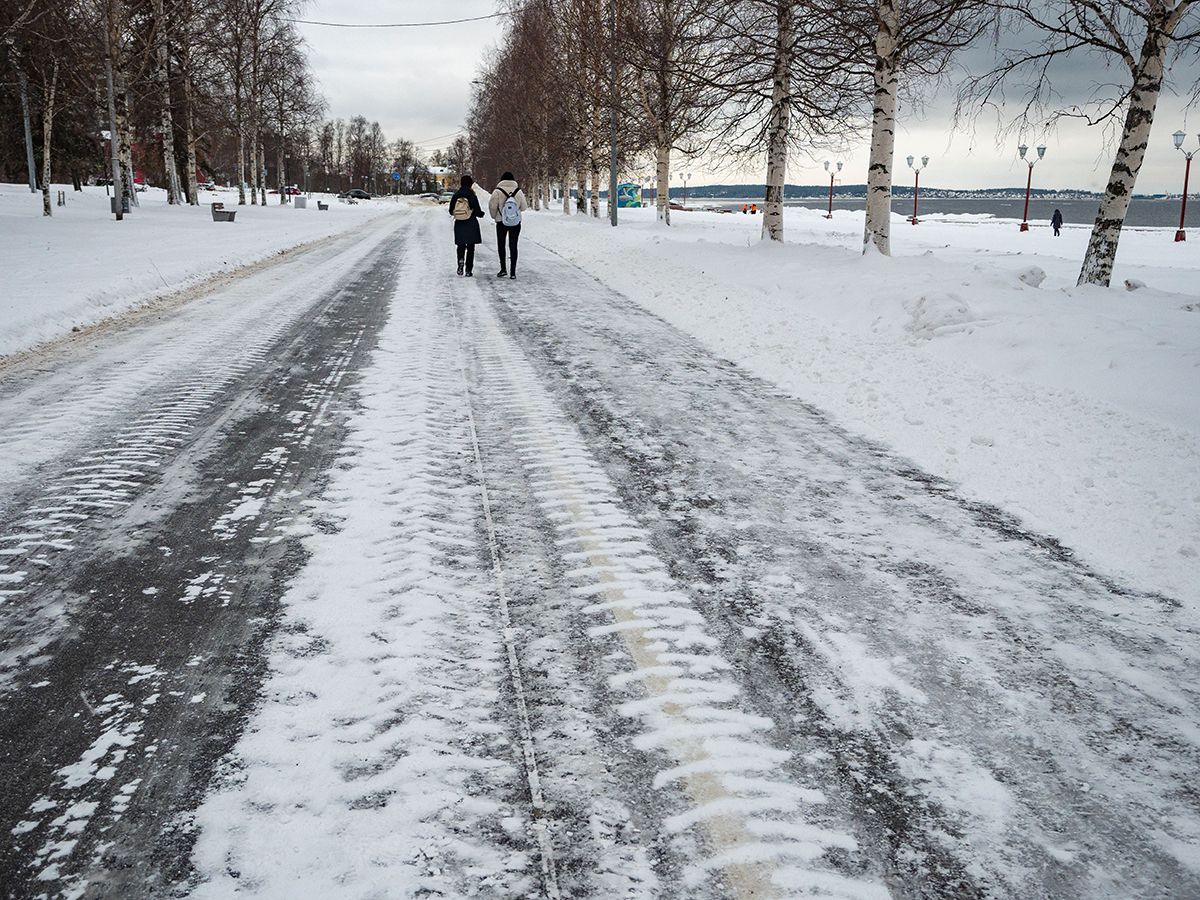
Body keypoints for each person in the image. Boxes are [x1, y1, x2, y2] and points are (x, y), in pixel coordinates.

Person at [489, 171, 528, 279]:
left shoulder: (497, 191)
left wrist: (495, 216)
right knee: (513, 245)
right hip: (515, 222)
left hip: (501, 222)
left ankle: (503, 269)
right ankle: (513, 272)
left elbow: (492, 206)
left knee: (501, 245)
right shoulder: (518, 191)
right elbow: (524, 207)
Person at [449, 175, 485, 276]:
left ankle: (460, 262)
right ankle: (468, 270)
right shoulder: (472, 195)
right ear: (470, 184)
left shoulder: (456, 195)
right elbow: (477, 210)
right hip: (471, 223)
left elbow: (451, 211)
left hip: (459, 223)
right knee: (470, 247)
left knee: (460, 246)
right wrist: (481, 214)